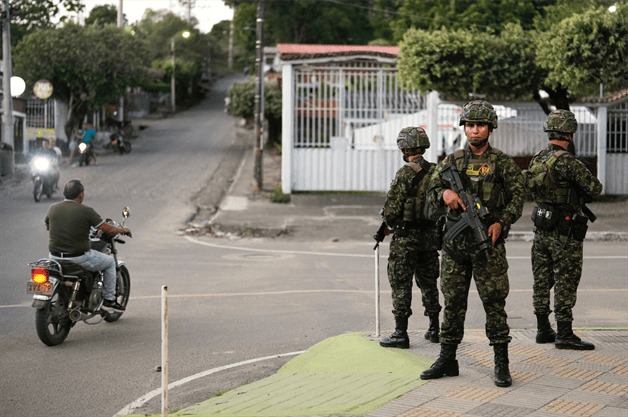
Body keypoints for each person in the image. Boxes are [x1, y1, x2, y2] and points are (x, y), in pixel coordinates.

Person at [421, 100, 525, 388]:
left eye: (480, 125)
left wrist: (500, 222)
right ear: (464, 128)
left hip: (487, 244)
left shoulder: (502, 162)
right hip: (455, 248)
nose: (474, 130)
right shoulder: (452, 161)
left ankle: (501, 363)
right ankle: (447, 359)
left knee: (494, 302)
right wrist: (445, 195)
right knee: (453, 302)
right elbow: (431, 190)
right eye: (470, 125)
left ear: (490, 128)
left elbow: (518, 198)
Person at [525, 110, 602, 350]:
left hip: (541, 228)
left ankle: (542, 329)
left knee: (541, 279)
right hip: (564, 232)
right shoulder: (568, 161)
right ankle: (565, 334)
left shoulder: (536, 158)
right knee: (565, 280)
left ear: (549, 131)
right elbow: (595, 188)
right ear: (569, 133)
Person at [379, 127, 442, 349]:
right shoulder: (436, 170)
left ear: (404, 147)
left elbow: (391, 211)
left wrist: (387, 225)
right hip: (429, 237)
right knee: (429, 283)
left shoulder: (405, 173)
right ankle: (435, 329)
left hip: (405, 238)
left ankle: (400, 333)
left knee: (401, 284)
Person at [45, 179, 132, 311]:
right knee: (110, 262)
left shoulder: (52, 208)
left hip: (54, 257)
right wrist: (123, 230)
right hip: (77, 258)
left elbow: (48, 227)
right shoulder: (86, 211)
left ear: (64, 193)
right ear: (81, 195)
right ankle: (109, 299)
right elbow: (108, 229)